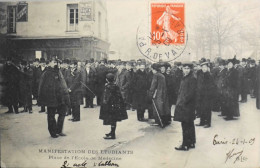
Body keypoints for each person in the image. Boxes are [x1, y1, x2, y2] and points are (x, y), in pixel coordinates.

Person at [38, 58, 70, 138]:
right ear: (49, 63)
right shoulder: (46, 73)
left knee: (62, 114)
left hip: (61, 97)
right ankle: (53, 132)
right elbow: (41, 87)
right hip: (51, 98)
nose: (56, 64)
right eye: (54, 62)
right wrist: (42, 99)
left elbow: (63, 84)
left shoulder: (59, 71)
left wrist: (65, 95)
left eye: (57, 62)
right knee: (51, 116)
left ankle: (59, 130)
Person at [174, 62, 196, 151]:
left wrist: (182, 102)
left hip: (186, 106)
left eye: (188, 68)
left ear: (190, 69)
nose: (186, 70)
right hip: (186, 105)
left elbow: (191, 94)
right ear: (182, 69)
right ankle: (191, 142)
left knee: (185, 125)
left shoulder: (191, 79)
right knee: (189, 124)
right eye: (184, 68)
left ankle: (185, 145)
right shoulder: (185, 78)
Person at [99, 73, 128, 139]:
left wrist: (104, 103)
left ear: (107, 80)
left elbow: (106, 98)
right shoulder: (116, 86)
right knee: (113, 120)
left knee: (112, 120)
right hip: (116, 106)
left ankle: (112, 134)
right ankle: (112, 132)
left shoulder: (108, 87)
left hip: (110, 106)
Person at [196, 61, 214, 128]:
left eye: (205, 67)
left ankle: (208, 123)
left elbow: (212, 86)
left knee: (207, 109)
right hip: (200, 95)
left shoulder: (209, 75)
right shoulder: (200, 74)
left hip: (207, 96)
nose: (204, 68)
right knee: (201, 109)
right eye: (202, 67)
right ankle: (202, 122)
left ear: (207, 68)